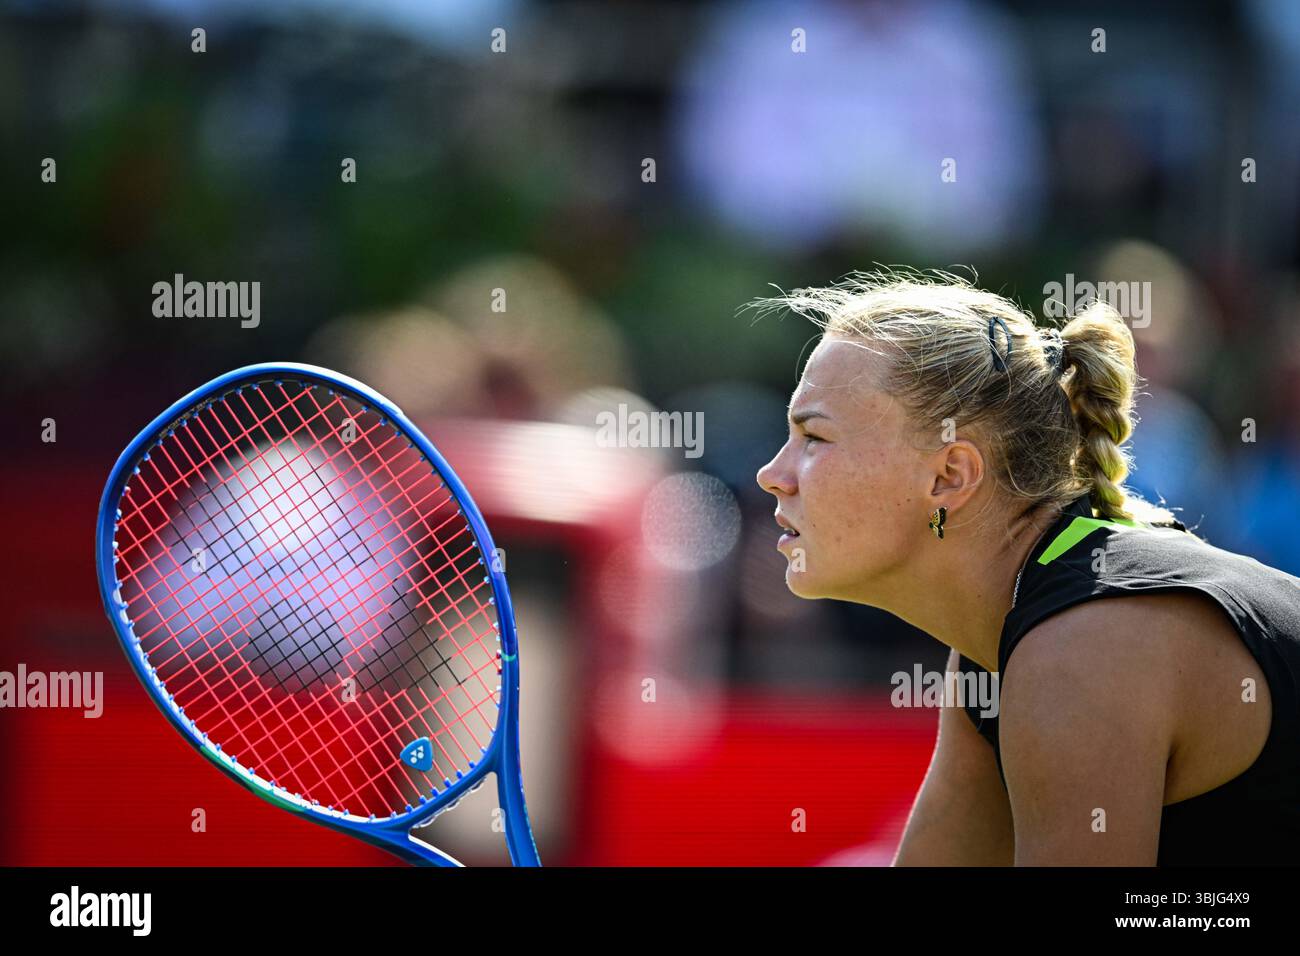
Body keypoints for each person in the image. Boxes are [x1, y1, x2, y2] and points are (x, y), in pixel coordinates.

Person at [752, 270, 1300, 865]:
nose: (771, 474)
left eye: (813, 437)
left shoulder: (1080, 646)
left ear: (950, 476)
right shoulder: (1003, 642)